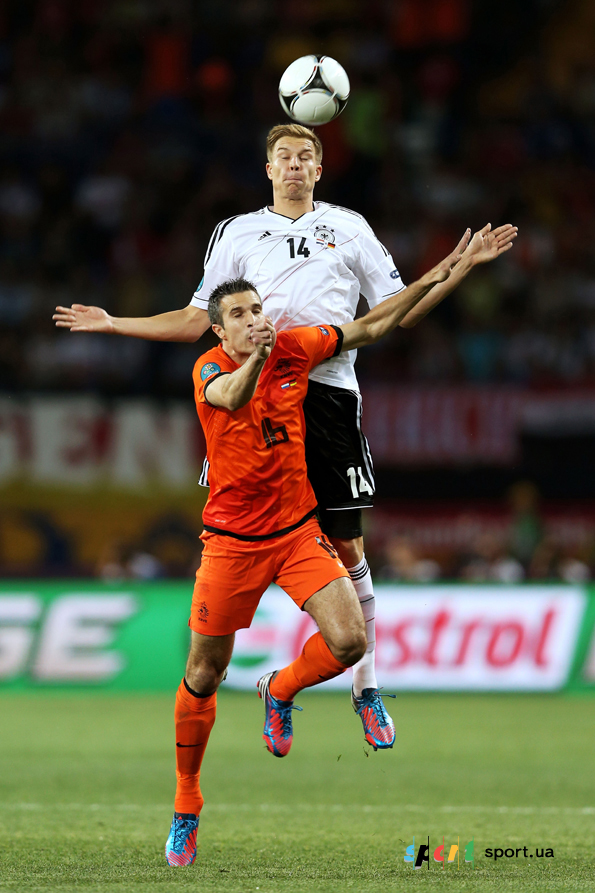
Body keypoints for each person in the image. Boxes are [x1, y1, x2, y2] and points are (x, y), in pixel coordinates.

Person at [53, 123, 517, 748]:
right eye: (284, 157)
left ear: (319, 169)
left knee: (348, 547)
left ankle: (365, 686)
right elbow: (194, 319)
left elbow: (394, 312)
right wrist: (114, 324)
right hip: (254, 395)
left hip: (326, 391)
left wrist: (457, 268)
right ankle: (224, 650)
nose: (294, 165)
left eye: (305, 156)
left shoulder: (350, 227)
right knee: (239, 520)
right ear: (268, 169)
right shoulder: (237, 232)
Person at [165, 247, 466, 866]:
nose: (253, 320)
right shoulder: (208, 370)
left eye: (257, 310)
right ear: (219, 330)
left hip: (297, 532)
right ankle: (186, 804)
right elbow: (232, 398)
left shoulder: (295, 346)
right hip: (231, 543)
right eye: (238, 315)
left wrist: (434, 277)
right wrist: (259, 356)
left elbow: (373, 326)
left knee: (351, 641)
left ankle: (279, 688)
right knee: (203, 674)